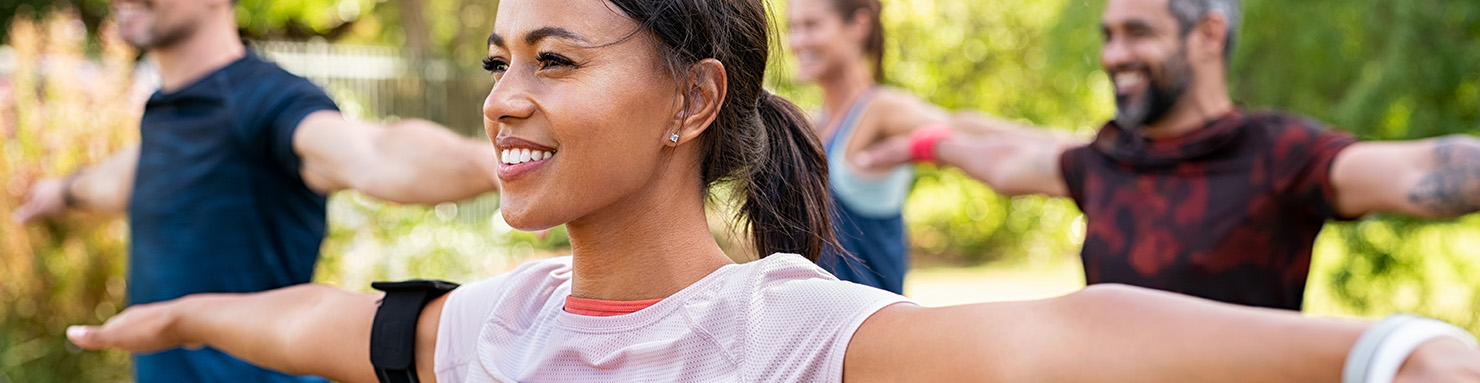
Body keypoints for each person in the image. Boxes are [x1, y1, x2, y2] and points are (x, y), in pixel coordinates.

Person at [63, 0, 1480, 382]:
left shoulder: (787, 334)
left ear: (694, 100)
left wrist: (1380, 349)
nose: (502, 95)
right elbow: (322, 318)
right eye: (500, 58)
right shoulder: (488, 327)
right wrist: (180, 309)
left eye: (554, 59)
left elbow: (1061, 333)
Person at [857, 0, 1480, 310]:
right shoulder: (1106, 161)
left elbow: (1420, 171)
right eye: (1107, 35)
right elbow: (1009, 160)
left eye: (1138, 33)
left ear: (1208, 34)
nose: (1112, 55)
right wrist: (919, 145)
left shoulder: (1280, 154)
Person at [10, 0, 499, 381]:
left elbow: (372, 151)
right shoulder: (168, 112)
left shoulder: (264, 102)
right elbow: (122, 179)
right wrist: (59, 192)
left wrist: (496, 164)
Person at [785, 0, 948, 294]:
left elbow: (961, 129)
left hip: (871, 333)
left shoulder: (882, 110)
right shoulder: (811, 125)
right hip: (817, 331)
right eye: (792, 28)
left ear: (858, 25)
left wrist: (1053, 156)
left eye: (811, 25)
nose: (796, 42)